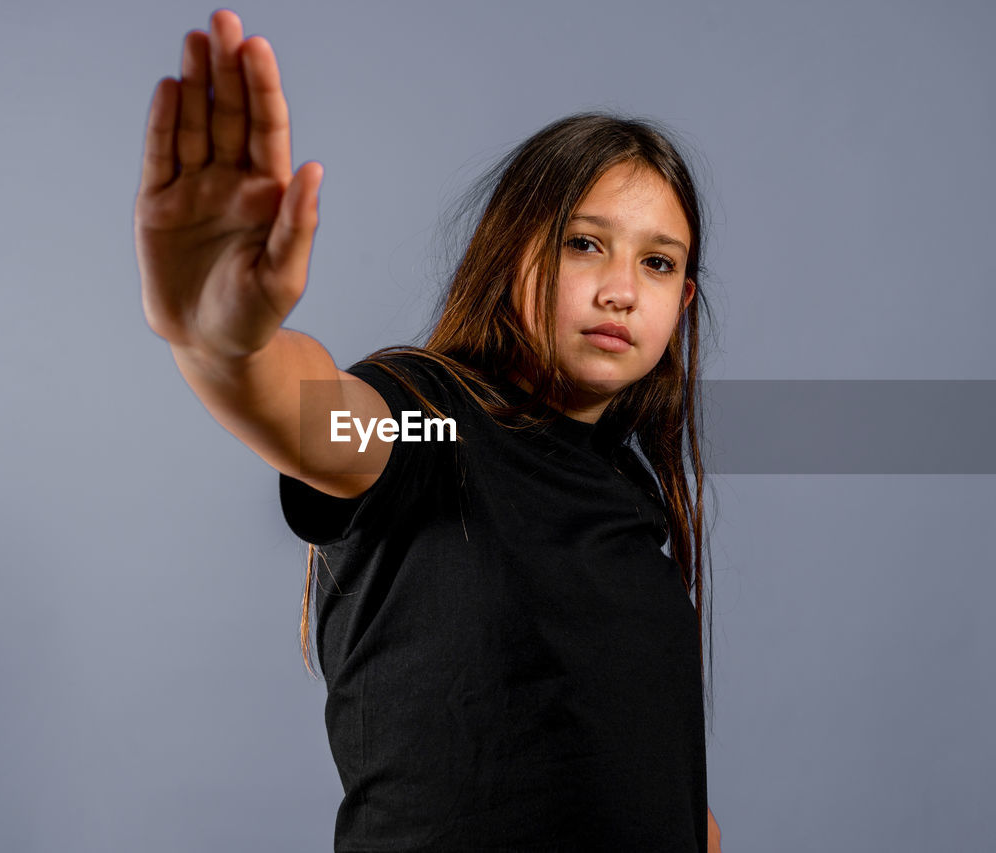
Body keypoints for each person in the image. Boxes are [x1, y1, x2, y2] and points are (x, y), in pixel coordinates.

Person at [135, 9, 722, 851]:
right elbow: (318, 415)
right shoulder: (437, 425)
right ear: (509, 251)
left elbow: (653, 770)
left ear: (683, 301)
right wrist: (225, 344)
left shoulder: (629, 493)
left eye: (658, 262)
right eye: (584, 245)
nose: (622, 289)